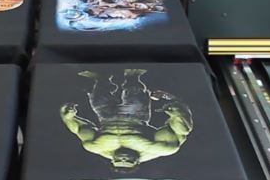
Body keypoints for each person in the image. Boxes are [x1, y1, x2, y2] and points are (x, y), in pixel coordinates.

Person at [60, 69, 193, 172]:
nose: (123, 158)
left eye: (119, 161)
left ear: (112, 161)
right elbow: (182, 132)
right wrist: (178, 114)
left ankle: (101, 79)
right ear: (137, 162)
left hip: (106, 117)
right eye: (128, 161)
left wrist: (67, 117)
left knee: (99, 96)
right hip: (134, 116)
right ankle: (132, 76)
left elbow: (79, 129)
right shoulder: (158, 149)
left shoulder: (95, 146)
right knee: (134, 90)